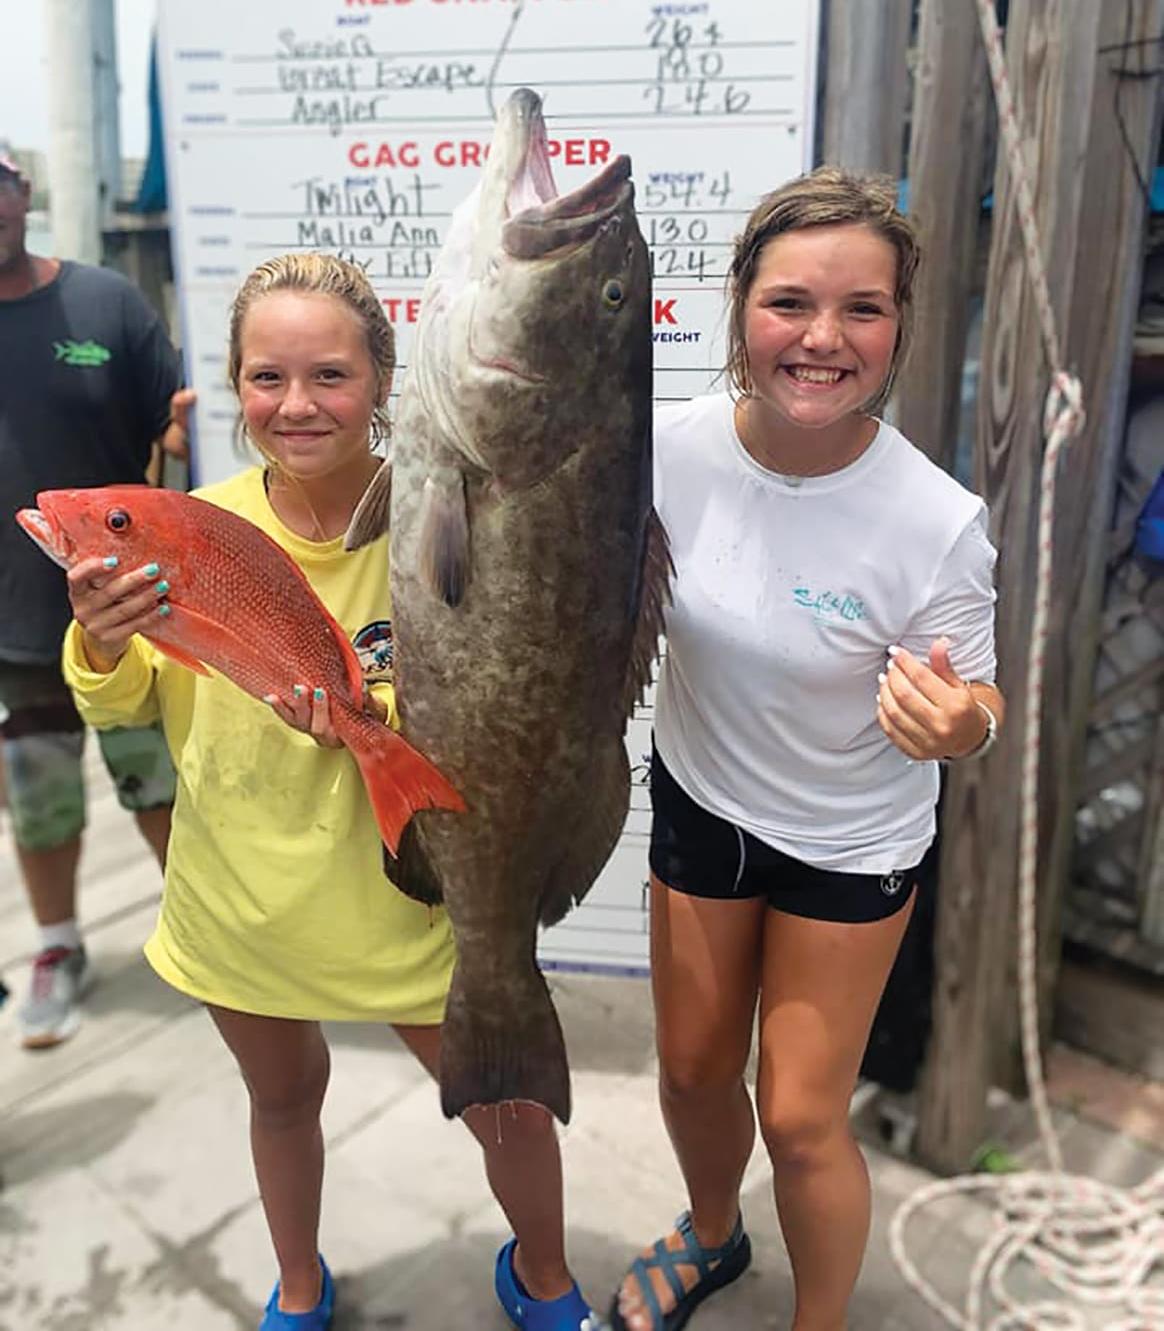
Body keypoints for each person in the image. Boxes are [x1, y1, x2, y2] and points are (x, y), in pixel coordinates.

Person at [61, 252, 599, 1331]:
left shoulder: (449, 521)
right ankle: (300, 1286)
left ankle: (545, 1274)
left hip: (408, 899)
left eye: (330, 376)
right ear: (234, 384)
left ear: (384, 380)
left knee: (504, 1104)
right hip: (241, 900)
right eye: (267, 377)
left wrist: (376, 718)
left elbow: (503, 696)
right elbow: (120, 709)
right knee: (281, 1098)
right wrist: (100, 642)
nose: (296, 403)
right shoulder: (179, 524)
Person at [611, 169, 1005, 1331]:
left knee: (798, 1117)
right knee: (690, 1069)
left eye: (862, 308)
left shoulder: (935, 519)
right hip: (703, 800)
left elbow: (979, 694)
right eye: (790, 301)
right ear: (741, 303)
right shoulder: (663, 451)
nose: (823, 338)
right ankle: (712, 1232)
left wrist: (962, 724)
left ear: (899, 324)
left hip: (851, 838)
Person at [0, 147, 190, 1050]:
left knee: (158, 785)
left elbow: (180, 429)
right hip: (14, 624)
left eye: (0, 185)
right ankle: (58, 946)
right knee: (40, 800)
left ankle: (207, 933)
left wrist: (197, 425)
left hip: (131, 613)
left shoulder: (106, 304)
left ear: (24, 192)